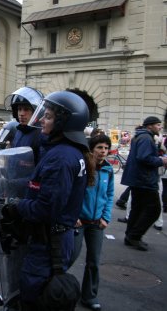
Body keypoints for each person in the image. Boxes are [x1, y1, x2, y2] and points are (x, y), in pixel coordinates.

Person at [1, 91, 93, 310]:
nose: (42, 119)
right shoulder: (64, 151)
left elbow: (46, 208)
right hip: (55, 239)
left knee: (35, 297)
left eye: (49, 116)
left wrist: (17, 206)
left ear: (63, 123)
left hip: (50, 243)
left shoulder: (61, 158)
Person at [0, 86, 44, 268]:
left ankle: (8, 261)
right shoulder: (19, 130)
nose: (22, 113)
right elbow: (15, 159)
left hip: (27, 193)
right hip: (11, 188)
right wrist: (2, 172)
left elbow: (38, 171)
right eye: (19, 109)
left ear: (36, 110)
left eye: (27, 109)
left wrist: (15, 183)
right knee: (3, 225)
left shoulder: (40, 136)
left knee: (18, 232)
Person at [71, 134, 114, 311]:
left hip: (97, 223)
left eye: (105, 148)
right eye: (99, 148)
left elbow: (110, 195)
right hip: (79, 222)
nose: (103, 152)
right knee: (69, 256)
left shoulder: (109, 170)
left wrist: (106, 217)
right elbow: (73, 192)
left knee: (93, 261)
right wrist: (74, 216)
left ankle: (89, 296)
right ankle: (55, 291)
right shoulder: (84, 167)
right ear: (91, 149)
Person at [121, 116, 167, 251]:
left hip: (139, 179)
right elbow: (144, 157)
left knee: (137, 208)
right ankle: (135, 236)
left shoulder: (141, 137)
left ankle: (130, 236)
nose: (160, 127)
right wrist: (161, 161)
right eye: (158, 125)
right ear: (149, 126)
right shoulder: (146, 138)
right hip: (144, 180)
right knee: (154, 210)